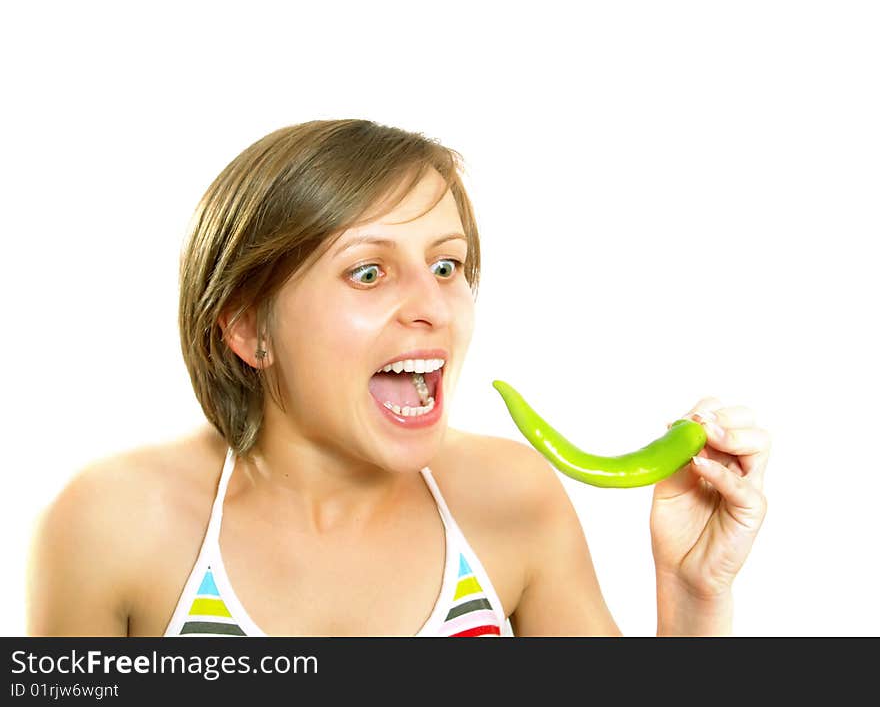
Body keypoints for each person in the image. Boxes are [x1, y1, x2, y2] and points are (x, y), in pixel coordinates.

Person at [25, 119, 770, 637]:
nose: (433, 307)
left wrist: (693, 594)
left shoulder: (511, 500)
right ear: (250, 328)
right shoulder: (113, 522)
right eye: (370, 271)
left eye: (446, 266)